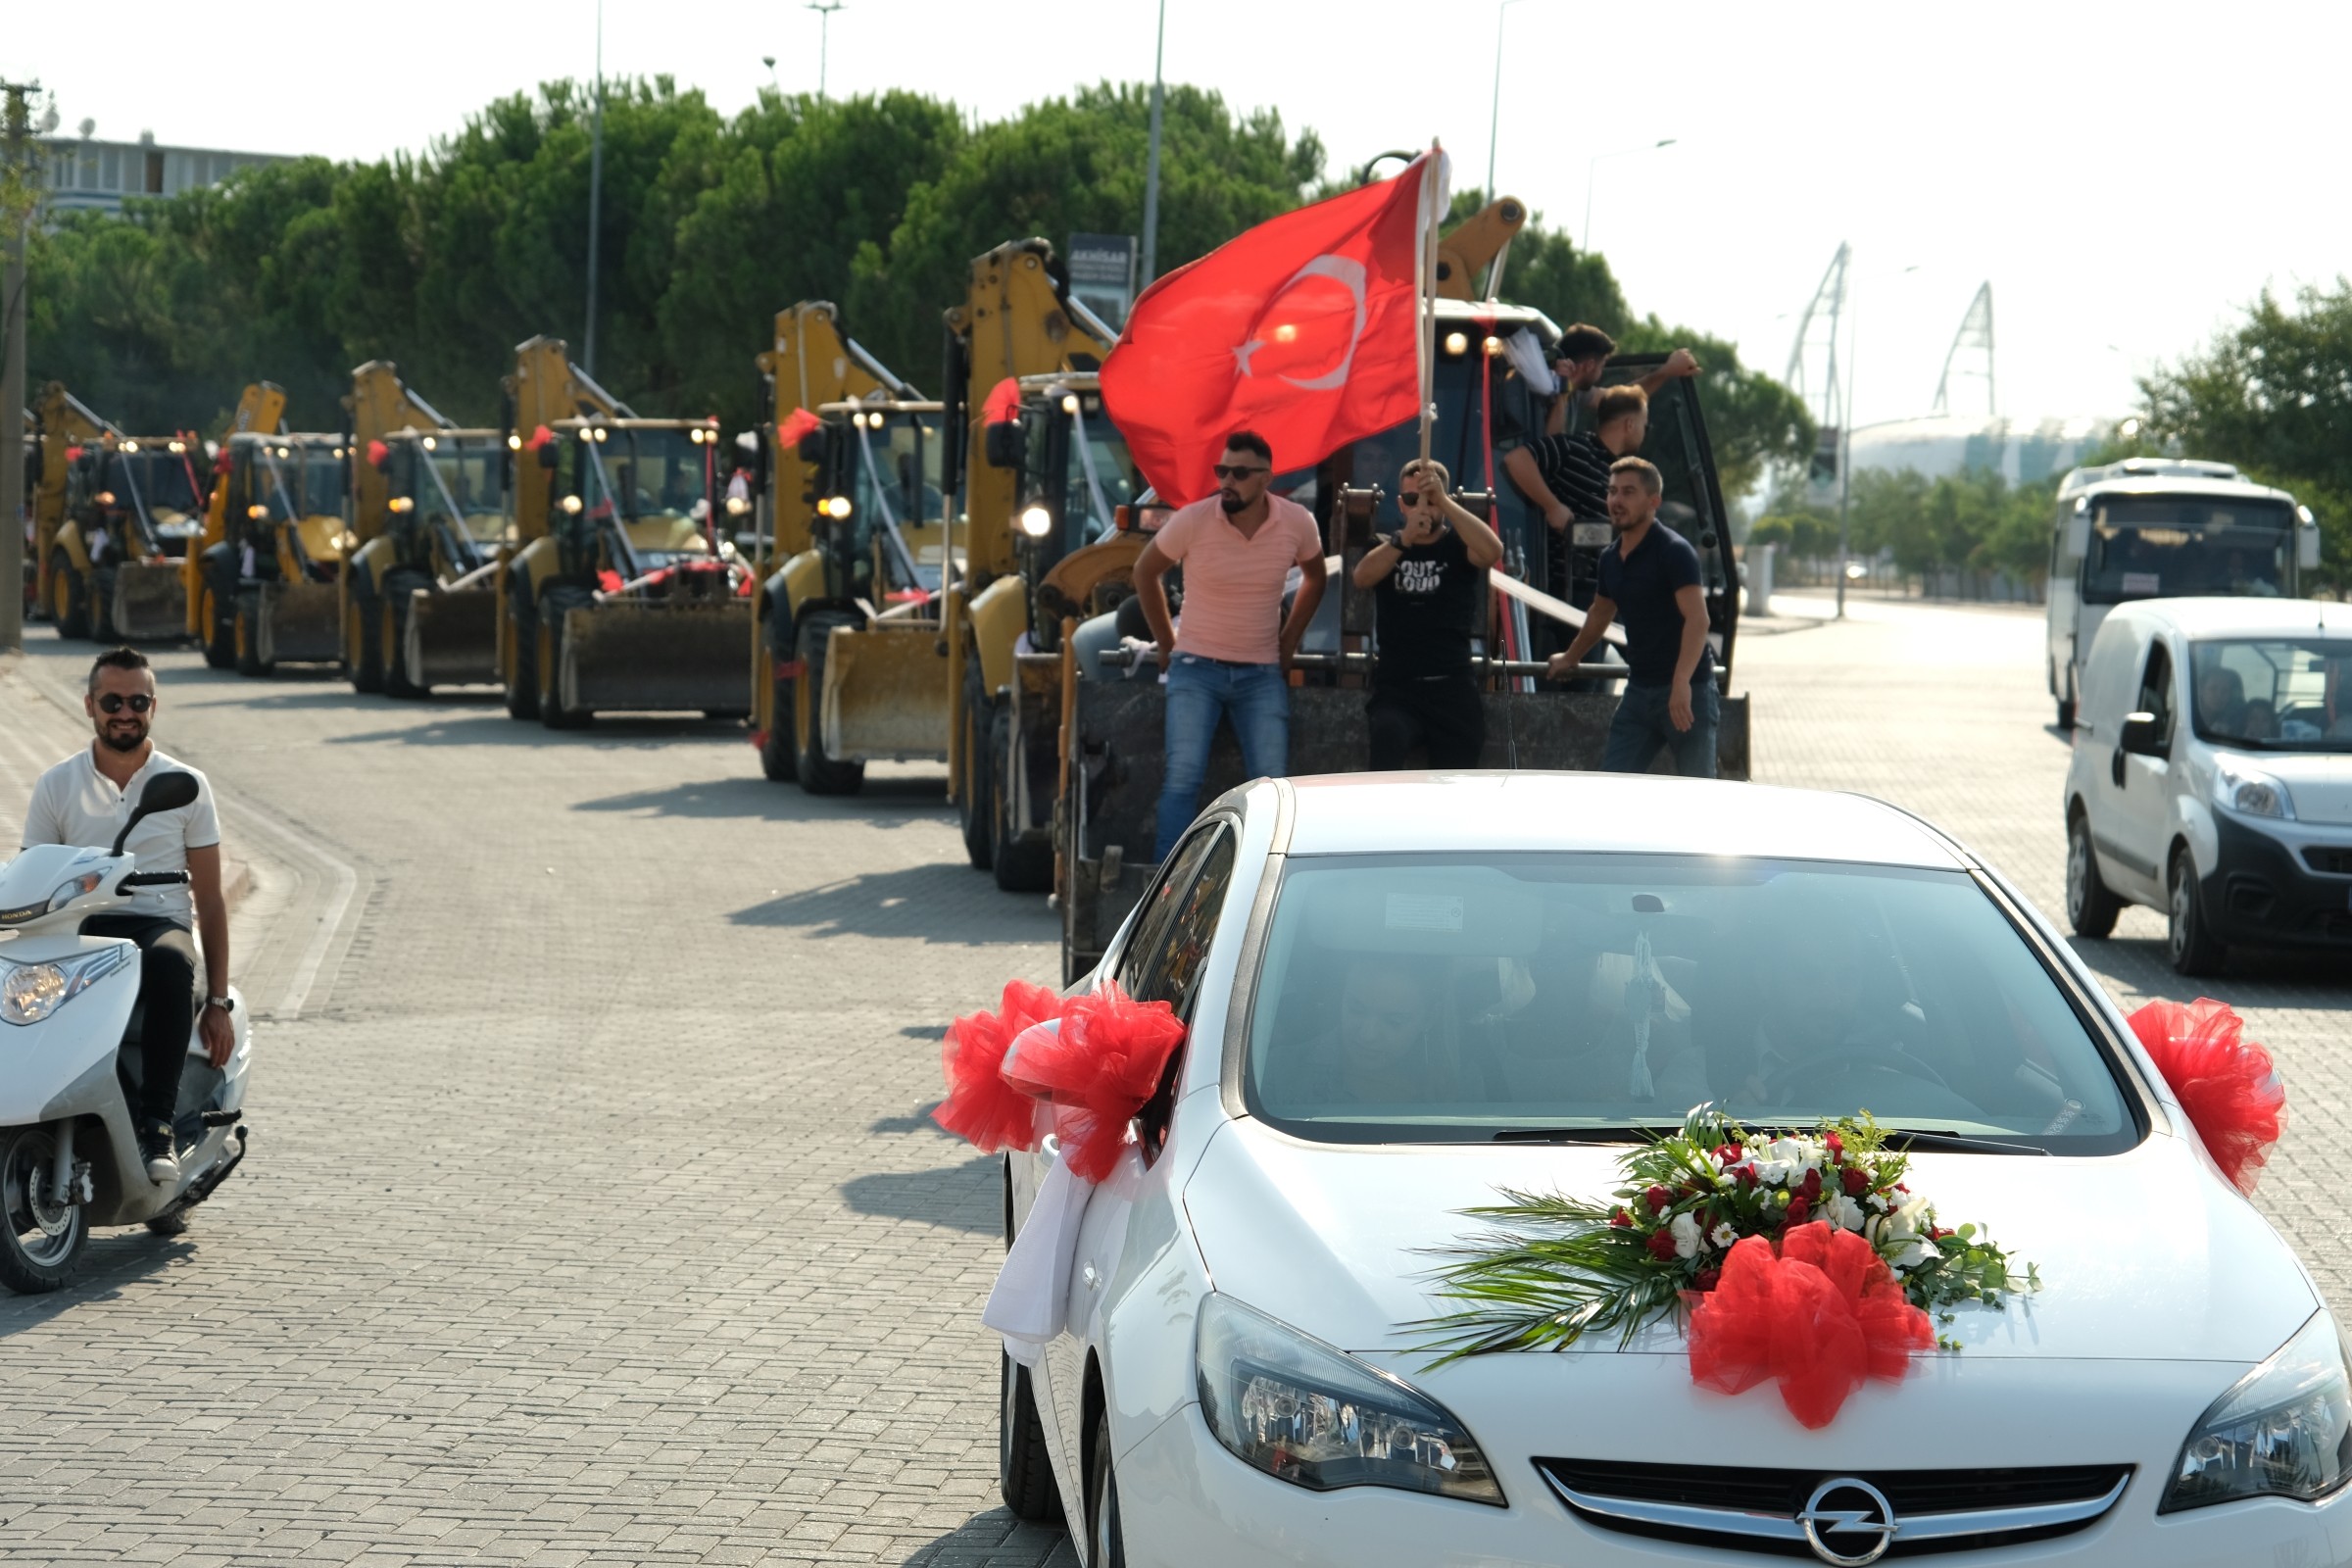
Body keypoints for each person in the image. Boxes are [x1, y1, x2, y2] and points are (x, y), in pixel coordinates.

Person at [20, 648, 235, 1184]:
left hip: (157, 923)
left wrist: (218, 1003)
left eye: (137, 701)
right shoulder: (56, 784)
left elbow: (208, 900)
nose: (125, 712)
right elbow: (33, 874)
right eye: (112, 700)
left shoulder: (186, 784)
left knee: (168, 963)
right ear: (90, 705)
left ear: (153, 706)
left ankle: (158, 1123)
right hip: (84, 927)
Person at [1133, 431, 1327, 859]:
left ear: (1266, 479)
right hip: (1195, 668)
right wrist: (1167, 642)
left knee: (1272, 785)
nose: (1227, 481)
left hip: (1260, 673)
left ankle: (1267, 875)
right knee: (1182, 777)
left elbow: (1317, 577)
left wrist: (1289, 641)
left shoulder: (1296, 522)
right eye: (1222, 471)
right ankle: (1164, 887)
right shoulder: (1194, 518)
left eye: (1239, 473)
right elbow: (1144, 573)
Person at [1544, 457, 1720, 776]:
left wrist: (1681, 682)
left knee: (1699, 796)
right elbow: (1600, 614)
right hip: (1639, 692)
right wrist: (1571, 657)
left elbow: (1699, 620)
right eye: (1612, 492)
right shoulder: (1610, 558)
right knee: (1612, 785)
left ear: (1654, 501)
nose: (1616, 501)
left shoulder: (1674, 551)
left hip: (1687, 691)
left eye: (1628, 492)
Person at [1352, 458, 1504, 769]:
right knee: (1387, 742)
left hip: (1452, 686)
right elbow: (1362, 577)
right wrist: (1403, 539)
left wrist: (1445, 502)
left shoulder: (1459, 546)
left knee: (1458, 781)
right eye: (1412, 499)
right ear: (1400, 504)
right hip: (1397, 687)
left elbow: (1492, 552)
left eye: (1430, 499)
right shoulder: (1385, 544)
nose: (1421, 506)